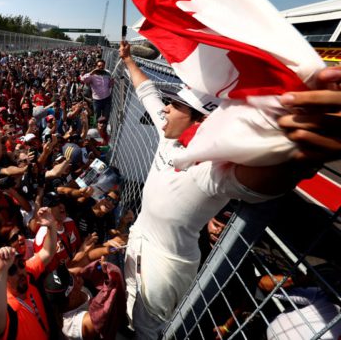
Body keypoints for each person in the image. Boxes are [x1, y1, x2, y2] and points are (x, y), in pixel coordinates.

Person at [118, 41, 327, 339]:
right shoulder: (170, 136)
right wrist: (128, 61)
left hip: (163, 265)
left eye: (175, 105)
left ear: (199, 120)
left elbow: (267, 181)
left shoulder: (209, 171)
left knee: (148, 330)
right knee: (131, 306)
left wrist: (305, 151)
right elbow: (148, 92)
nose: (164, 109)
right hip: (138, 240)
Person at [0, 207, 58, 340]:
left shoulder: (28, 271)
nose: (20, 272)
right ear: (3, 278)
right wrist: (0, 270)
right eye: (11, 270)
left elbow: (48, 252)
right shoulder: (5, 304)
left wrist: (51, 226)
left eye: (21, 264)